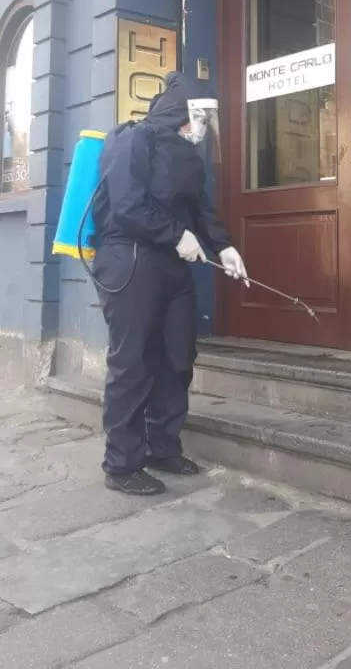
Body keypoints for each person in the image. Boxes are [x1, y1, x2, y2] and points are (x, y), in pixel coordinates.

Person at [92, 72, 247, 496]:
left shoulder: (190, 157)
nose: (201, 128)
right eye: (200, 117)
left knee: (177, 356)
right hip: (132, 260)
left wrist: (224, 248)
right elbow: (125, 205)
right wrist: (175, 235)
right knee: (134, 361)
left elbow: (200, 209)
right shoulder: (134, 140)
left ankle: (163, 446)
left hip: (173, 266)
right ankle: (121, 464)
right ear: (182, 111)